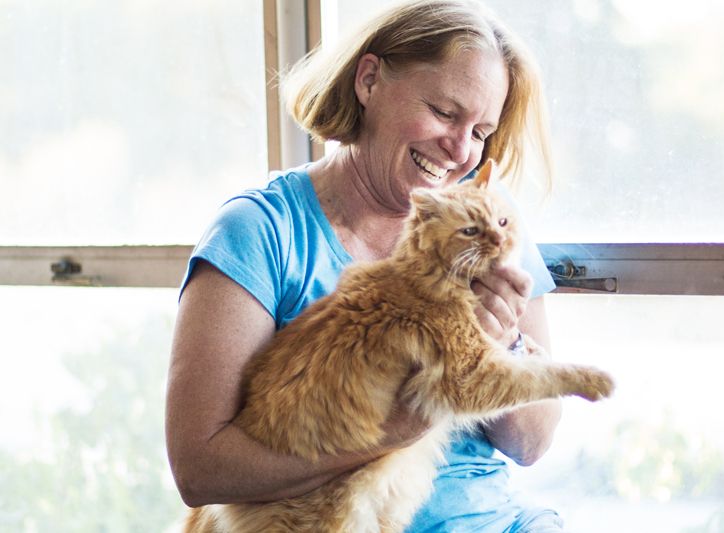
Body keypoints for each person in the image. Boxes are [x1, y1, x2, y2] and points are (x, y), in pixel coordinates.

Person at [166, 0, 565, 531]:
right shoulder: (261, 231)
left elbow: (532, 444)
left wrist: (506, 343)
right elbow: (200, 468)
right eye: (446, 112)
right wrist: (396, 427)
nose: (459, 150)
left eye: (480, 131)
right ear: (370, 80)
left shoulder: (488, 225)